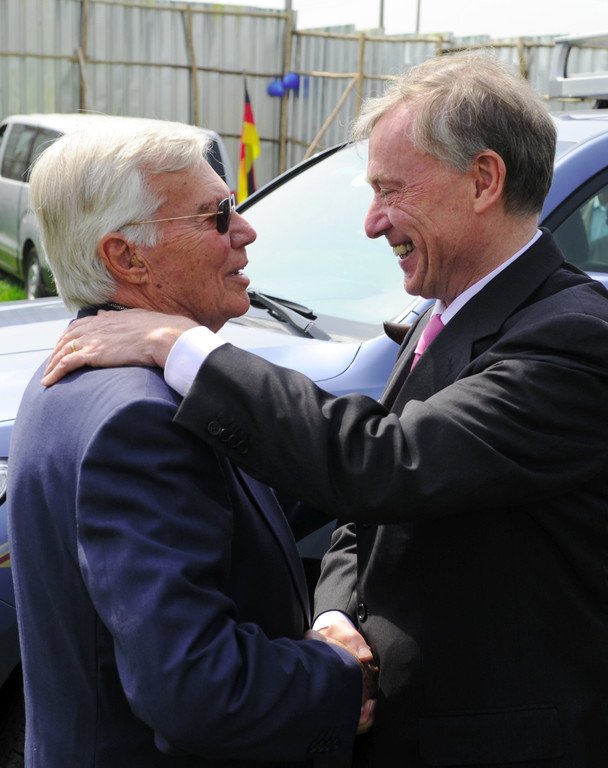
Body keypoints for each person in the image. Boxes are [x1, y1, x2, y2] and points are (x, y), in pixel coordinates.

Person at [44, 51, 608, 767]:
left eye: (391, 190)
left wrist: (181, 347)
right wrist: (338, 614)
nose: (373, 223)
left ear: (483, 181)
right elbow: (363, 510)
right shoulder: (446, 313)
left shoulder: (573, 338)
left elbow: (388, 464)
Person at [7, 117, 378, 768]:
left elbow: (262, 503)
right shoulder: (139, 419)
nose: (246, 230)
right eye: (216, 215)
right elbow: (200, 691)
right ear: (127, 257)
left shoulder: (84, 367)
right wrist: (342, 675)